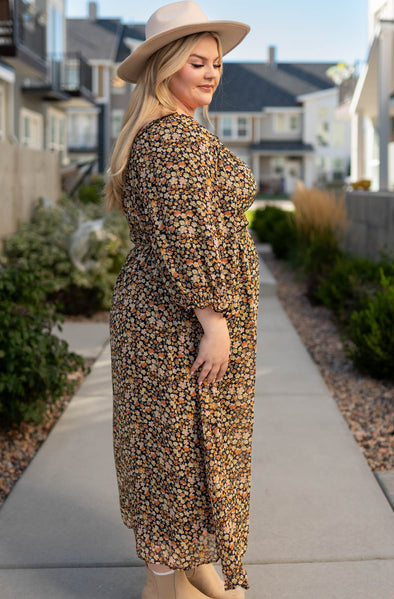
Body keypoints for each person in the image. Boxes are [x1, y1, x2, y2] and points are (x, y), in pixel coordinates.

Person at [105, 2, 259, 597]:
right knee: (175, 453)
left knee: (179, 448)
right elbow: (184, 237)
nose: (211, 73)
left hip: (164, 318)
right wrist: (214, 319)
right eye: (196, 62)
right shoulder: (171, 141)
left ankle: (196, 567)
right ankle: (163, 586)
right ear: (165, 66)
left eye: (216, 63)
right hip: (178, 325)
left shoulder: (175, 133)